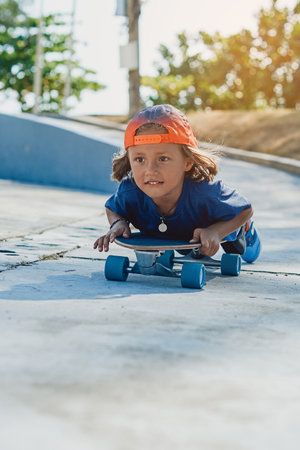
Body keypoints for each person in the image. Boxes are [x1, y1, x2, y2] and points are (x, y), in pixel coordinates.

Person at [93, 104, 261, 263]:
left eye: (163, 158)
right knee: (188, 251)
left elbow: (245, 209)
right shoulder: (129, 192)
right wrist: (118, 223)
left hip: (218, 223)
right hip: (178, 235)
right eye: (140, 159)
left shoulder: (206, 192)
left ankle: (246, 231)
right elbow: (112, 208)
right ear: (129, 161)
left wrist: (216, 232)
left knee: (239, 250)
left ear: (187, 162)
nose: (150, 170)